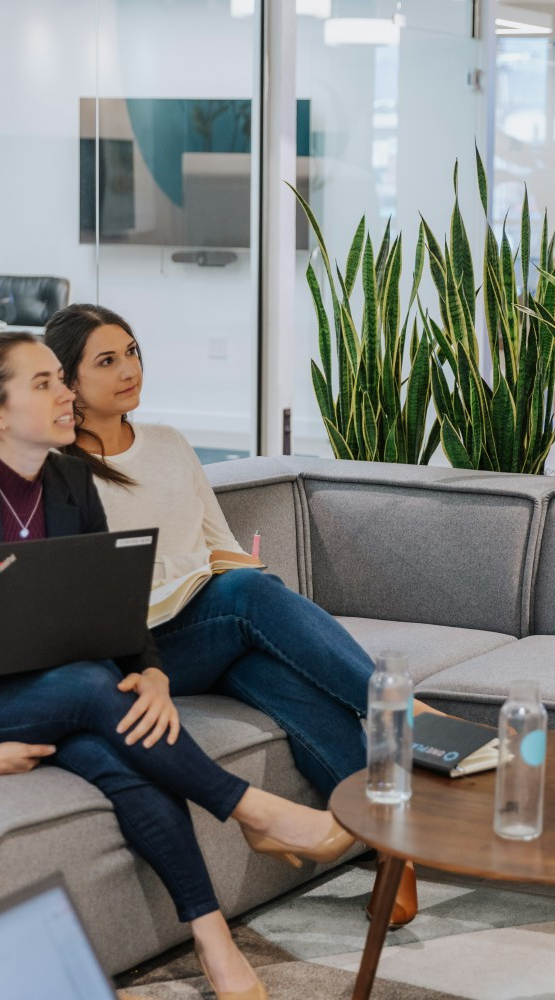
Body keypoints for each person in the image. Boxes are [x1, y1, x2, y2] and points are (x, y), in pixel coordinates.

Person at [0, 332, 354, 1000]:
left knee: (116, 750)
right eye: (45, 383)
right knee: (89, 686)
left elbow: (101, 602)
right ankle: (253, 811)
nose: (66, 394)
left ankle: (212, 938)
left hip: (25, 684)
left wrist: (153, 671)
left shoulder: (69, 478)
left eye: (62, 378)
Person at [42, 304, 424, 929]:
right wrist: (250, 595)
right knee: (249, 597)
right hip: (142, 649)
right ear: (69, 380)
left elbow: (218, 547)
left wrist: (255, 586)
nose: (127, 370)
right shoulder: (57, 470)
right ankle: (401, 707)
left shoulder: (168, 444)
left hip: (209, 629)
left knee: (292, 681)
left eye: (132, 352)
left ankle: (393, 853)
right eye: (105, 361)